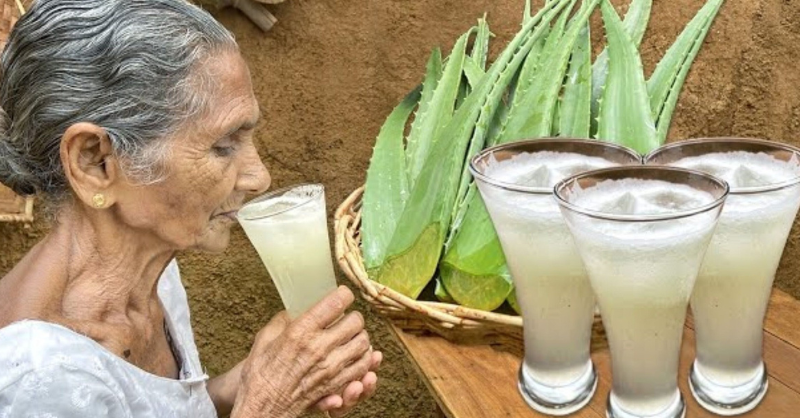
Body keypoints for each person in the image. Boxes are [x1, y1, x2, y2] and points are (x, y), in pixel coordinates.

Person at [0, 0, 381, 417]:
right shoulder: (38, 379)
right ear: (95, 161)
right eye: (224, 145)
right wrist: (268, 404)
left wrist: (240, 386)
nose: (260, 177)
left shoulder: (153, 273)